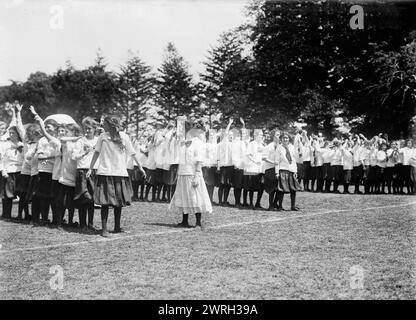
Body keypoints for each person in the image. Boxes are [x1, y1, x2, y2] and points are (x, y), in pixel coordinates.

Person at [87, 115, 146, 237]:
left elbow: (132, 153)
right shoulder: (102, 137)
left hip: (120, 173)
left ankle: (117, 227)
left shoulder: (124, 136)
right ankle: (104, 230)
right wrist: (90, 168)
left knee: (119, 201)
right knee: (105, 202)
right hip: (105, 172)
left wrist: (140, 167)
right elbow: (96, 153)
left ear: (111, 124)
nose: (102, 125)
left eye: (105, 123)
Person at [169, 122, 212, 229]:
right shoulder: (183, 142)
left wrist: (197, 175)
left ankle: (198, 222)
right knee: (184, 196)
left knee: (195, 197)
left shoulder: (198, 143)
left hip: (192, 173)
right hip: (183, 173)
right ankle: (184, 221)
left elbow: (199, 160)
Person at [72, 117, 99, 232]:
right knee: (83, 197)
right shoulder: (80, 141)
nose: (87, 131)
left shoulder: (98, 141)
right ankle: (82, 224)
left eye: (89, 129)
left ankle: (91, 223)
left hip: (94, 171)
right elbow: (74, 157)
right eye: (85, 129)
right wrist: (84, 152)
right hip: (82, 170)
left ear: (94, 129)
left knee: (92, 198)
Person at [1, 106, 25, 219]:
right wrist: (3, 170)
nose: (11, 135)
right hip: (9, 171)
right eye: (9, 133)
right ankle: (6, 215)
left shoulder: (23, 144)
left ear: (18, 134)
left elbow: (20, 126)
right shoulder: (5, 145)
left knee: (21, 194)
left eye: (13, 133)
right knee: (7, 194)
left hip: (20, 171)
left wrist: (18, 113)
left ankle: (21, 215)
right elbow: (1, 159)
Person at [275, 132, 302, 211]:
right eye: (283, 138)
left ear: (289, 139)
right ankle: (280, 206)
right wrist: (277, 172)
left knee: (293, 189)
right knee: (281, 189)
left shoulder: (292, 147)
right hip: (283, 170)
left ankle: (293, 206)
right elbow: (277, 161)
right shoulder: (279, 148)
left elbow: (294, 159)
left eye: (286, 138)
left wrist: (295, 171)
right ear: (281, 139)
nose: (285, 139)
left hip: (291, 170)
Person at [243, 129, 265, 209]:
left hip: (260, 169)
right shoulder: (251, 144)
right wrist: (255, 161)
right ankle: (251, 203)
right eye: (260, 135)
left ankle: (258, 203)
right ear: (255, 135)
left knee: (261, 186)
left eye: (262, 135)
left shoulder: (262, 145)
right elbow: (248, 155)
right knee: (251, 187)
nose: (261, 136)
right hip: (251, 168)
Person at [217, 119, 234, 206]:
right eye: (230, 135)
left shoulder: (233, 144)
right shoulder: (224, 142)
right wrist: (230, 123)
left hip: (230, 166)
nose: (231, 136)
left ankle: (225, 201)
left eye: (232, 135)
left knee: (228, 185)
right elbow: (226, 133)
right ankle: (220, 201)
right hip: (224, 166)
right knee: (222, 184)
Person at [263, 129, 280, 210]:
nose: (278, 137)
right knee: (272, 188)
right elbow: (264, 158)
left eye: (279, 135)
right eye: (277, 135)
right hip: (270, 169)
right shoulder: (269, 146)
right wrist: (273, 162)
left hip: (278, 169)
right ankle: (270, 205)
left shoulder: (280, 146)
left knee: (279, 188)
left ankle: (275, 203)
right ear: (273, 136)